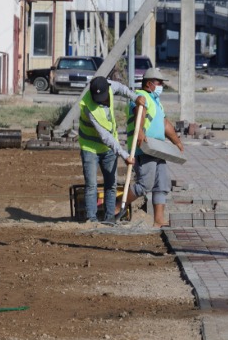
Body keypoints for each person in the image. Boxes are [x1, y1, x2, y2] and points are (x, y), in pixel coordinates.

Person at [79, 75, 146, 224]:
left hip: (108, 149)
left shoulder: (108, 85)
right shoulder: (89, 107)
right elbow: (105, 137)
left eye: (102, 97)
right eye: (98, 98)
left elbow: (122, 89)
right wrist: (124, 154)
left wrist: (135, 97)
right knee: (91, 185)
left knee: (111, 183)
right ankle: (92, 220)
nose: (101, 100)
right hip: (90, 147)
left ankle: (110, 217)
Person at [123, 68, 185, 227]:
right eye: (159, 83)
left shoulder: (156, 101)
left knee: (162, 184)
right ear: (149, 84)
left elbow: (165, 124)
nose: (161, 86)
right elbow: (140, 114)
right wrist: (141, 131)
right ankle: (117, 206)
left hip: (158, 148)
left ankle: (158, 220)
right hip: (144, 147)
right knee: (145, 185)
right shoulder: (141, 97)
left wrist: (176, 141)